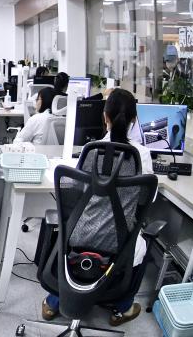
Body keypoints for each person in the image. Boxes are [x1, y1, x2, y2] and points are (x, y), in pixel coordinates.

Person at [42, 88, 153, 327]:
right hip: (119, 242)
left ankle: (54, 302)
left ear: (105, 116)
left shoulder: (90, 151)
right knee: (143, 243)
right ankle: (122, 308)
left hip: (80, 235)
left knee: (66, 234)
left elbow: (75, 192)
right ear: (134, 119)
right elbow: (146, 200)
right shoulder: (142, 155)